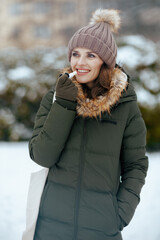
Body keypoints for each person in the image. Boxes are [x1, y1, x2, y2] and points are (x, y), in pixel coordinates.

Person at [29, 8, 148, 240]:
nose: (79, 63)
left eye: (91, 55)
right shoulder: (55, 98)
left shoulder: (125, 105)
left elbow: (136, 165)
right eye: (75, 53)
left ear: (106, 61)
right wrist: (64, 104)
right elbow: (42, 156)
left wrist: (120, 214)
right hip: (50, 228)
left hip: (101, 230)